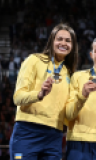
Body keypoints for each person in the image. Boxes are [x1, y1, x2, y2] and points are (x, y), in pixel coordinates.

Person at [9, 23, 78, 160]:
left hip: (54, 135)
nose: (63, 43)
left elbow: (68, 110)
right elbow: (17, 97)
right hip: (28, 131)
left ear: (73, 46)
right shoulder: (34, 60)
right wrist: (39, 94)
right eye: (59, 39)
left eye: (68, 40)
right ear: (52, 41)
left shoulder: (70, 74)